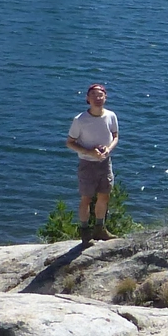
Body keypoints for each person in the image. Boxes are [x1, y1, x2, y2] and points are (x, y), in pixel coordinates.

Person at [65, 84, 120, 242]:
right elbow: (70, 142)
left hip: (105, 163)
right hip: (87, 164)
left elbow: (115, 136)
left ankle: (100, 228)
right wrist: (89, 152)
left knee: (104, 196)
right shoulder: (80, 120)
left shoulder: (111, 116)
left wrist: (108, 149)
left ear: (105, 97)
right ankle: (84, 231)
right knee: (86, 198)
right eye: (93, 95)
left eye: (100, 95)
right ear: (87, 99)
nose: (97, 98)